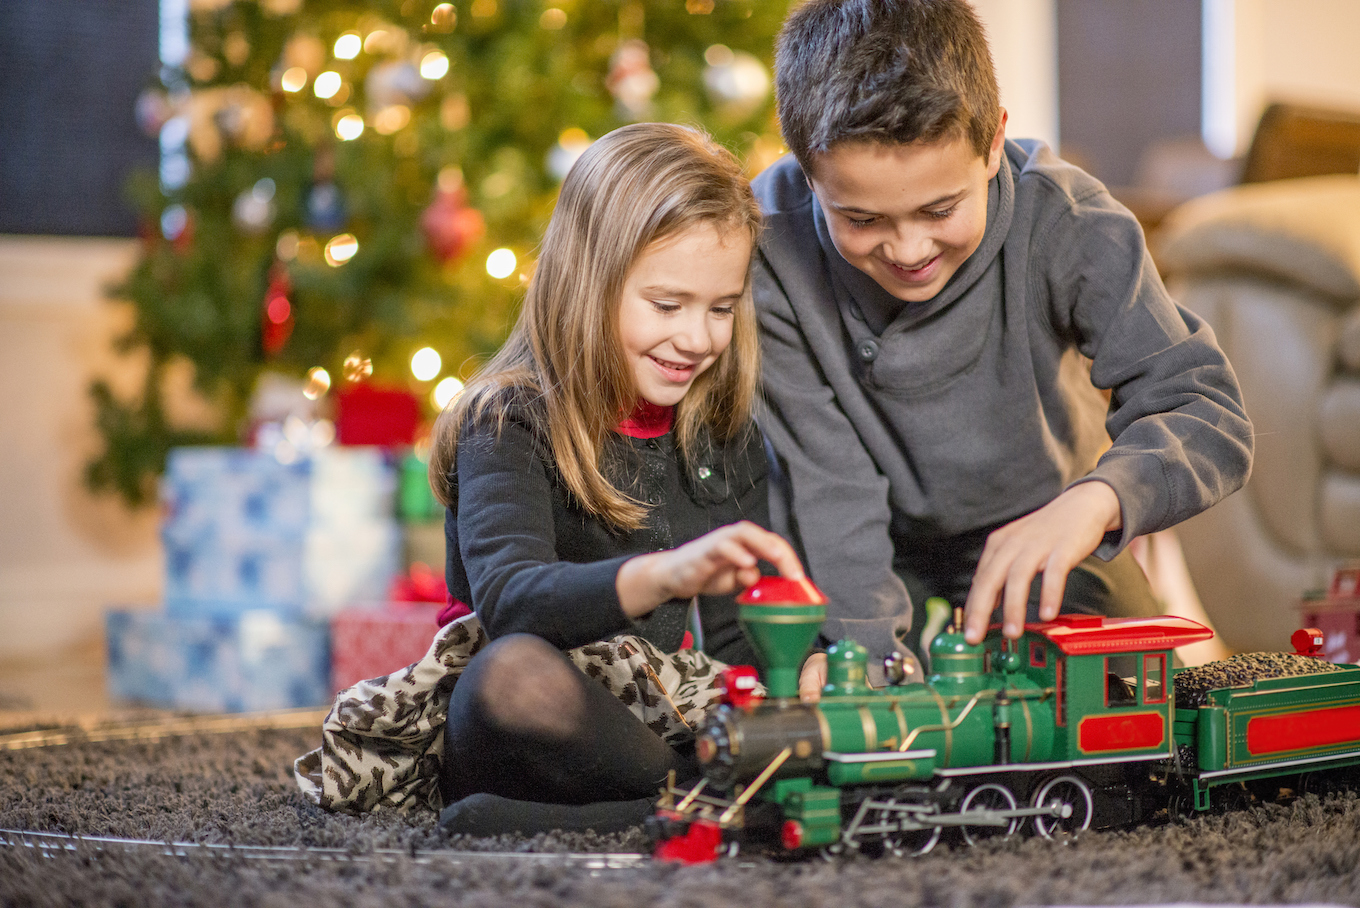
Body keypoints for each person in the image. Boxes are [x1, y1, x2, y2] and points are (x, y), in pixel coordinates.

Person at [752, 0, 1254, 683]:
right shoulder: (770, 248)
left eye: (939, 209)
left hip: (1046, 527)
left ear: (993, 145)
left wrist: (1096, 499)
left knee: (1128, 697)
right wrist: (866, 665)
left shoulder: (1071, 221)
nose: (907, 249)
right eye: (862, 218)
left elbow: (1209, 414)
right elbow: (829, 485)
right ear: (808, 174)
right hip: (861, 551)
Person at [422, 122, 806, 834]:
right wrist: (665, 575)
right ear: (588, 282)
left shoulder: (723, 433)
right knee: (507, 674)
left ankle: (623, 812)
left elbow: (731, 648)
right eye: (668, 306)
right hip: (530, 725)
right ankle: (710, 805)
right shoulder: (507, 421)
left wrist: (796, 675)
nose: (698, 338)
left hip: (657, 730)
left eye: (721, 309)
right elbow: (511, 600)